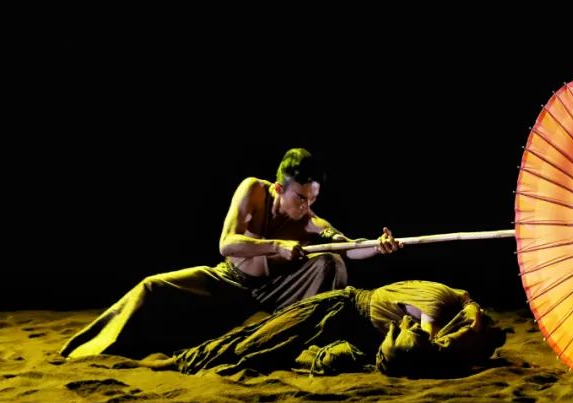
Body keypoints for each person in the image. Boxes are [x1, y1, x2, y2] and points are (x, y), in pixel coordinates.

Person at [59, 148, 401, 359]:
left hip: (274, 293)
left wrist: (376, 246)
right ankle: (90, 349)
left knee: (330, 261)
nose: (306, 206)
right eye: (301, 197)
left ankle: (305, 340)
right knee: (153, 287)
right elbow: (227, 244)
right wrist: (276, 246)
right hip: (229, 281)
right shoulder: (253, 191)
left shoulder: (310, 221)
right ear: (279, 188)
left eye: (313, 199)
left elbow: (347, 247)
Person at [139, 280, 507, 378]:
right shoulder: (437, 305)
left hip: (363, 332)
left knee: (276, 353)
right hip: (340, 308)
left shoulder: (458, 303)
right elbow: (426, 342)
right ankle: (184, 361)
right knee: (260, 341)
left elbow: (466, 301)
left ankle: (190, 359)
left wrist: (473, 311)